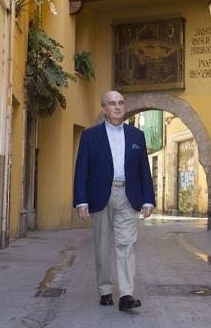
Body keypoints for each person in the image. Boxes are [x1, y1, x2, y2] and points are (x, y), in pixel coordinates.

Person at [73, 90, 155, 312]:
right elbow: (82, 170)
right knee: (101, 246)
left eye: (120, 103)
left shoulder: (137, 136)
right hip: (100, 195)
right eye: (112, 104)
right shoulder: (90, 136)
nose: (117, 107)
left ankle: (126, 294)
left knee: (126, 244)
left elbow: (144, 170)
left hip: (128, 196)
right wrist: (81, 200)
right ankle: (105, 290)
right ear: (104, 109)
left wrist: (148, 199)